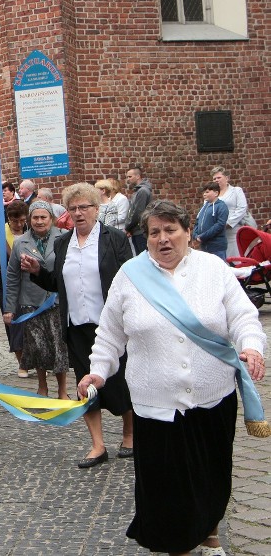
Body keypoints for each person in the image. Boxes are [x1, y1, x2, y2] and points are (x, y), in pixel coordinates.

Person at [77, 200, 266, 556]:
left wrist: (252, 347)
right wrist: (97, 372)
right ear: (146, 238)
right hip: (155, 403)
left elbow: (243, 317)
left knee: (212, 476)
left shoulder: (213, 268)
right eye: (154, 232)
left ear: (188, 233)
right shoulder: (130, 276)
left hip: (213, 395)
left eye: (170, 230)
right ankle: (177, 546)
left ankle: (209, 533)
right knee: (166, 488)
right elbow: (110, 334)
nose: (163, 239)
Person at [21, 183, 134, 468]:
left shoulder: (115, 239)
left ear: (97, 209)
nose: (79, 213)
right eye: (73, 208)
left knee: (120, 382)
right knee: (86, 385)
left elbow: (131, 278)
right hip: (76, 326)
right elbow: (56, 284)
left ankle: (129, 435)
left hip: (110, 324)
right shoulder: (62, 243)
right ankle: (97, 445)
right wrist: (37, 272)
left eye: (84, 207)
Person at [3, 201, 69, 398]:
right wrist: (9, 308)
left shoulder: (64, 238)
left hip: (56, 301)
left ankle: (63, 390)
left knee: (59, 346)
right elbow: (13, 276)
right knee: (38, 346)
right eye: (35, 218)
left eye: (43, 217)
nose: (39, 221)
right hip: (31, 302)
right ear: (29, 220)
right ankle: (42, 386)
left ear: (51, 219)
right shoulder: (20, 242)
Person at [0, 200, 28, 378]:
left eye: (21, 220)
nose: (19, 224)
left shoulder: (32, 230)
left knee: (33, 322)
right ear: (9, 219)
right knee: (13, 322)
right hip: (8, 284)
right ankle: (22, 363)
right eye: (15, 221)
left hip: (31, 283)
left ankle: (38, 358)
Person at [211, 166, 248, 258]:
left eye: (219, 177)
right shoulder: (211, 194)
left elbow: (242, 208)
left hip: (233, 230)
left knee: (235, 257)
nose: (216, 180)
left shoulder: (236, 191)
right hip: (217, 232)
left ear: (226, 178)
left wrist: (228, 223)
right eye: (214, 178)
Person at [192, 183, 229, 261]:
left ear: (216, 193)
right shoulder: (204, 207)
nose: (204, 194)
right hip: (204, 246)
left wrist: (203, 236)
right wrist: (195, 235)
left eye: (207, 192)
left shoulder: (221, 206)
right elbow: (197, 221)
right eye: (204, 192)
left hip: (217, 246)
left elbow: (220, 225)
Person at [124, 165, 153, 254]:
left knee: (143, 257)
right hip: (136, 230)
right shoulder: (138, 191)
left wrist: (128, 227)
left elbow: (138, 212)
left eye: (130, 176)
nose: (128, 179)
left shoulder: (142, 191)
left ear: (137, 176)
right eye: (127, 177)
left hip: (141, 231)